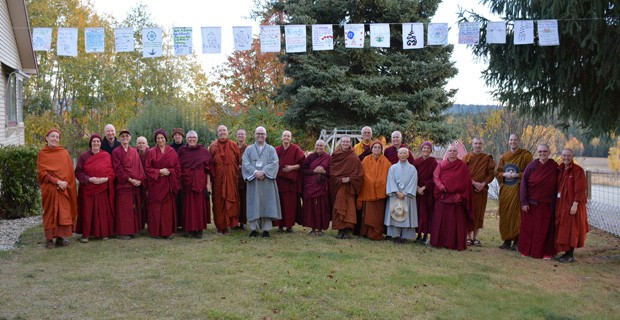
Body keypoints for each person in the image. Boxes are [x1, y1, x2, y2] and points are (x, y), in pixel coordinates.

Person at [37, 128, 78, 249]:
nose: (55, 139)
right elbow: (41, 174)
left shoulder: (64, 153)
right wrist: (57, 182)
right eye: (52, 136)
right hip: (50, 188)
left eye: (57, 137)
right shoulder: (42, 154)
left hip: (64, 188)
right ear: (47, 138)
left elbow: (69, 171)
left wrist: (65, 184)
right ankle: (49, 239)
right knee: (50, 213)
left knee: (63, 212)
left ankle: (60, 237)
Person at [431, 144, 474, 251]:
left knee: (454, 222)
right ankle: (439, 242)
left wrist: (459, 194)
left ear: (457, 153)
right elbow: (436, 177)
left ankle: (454, 243)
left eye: (454, 151)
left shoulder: (462, 166)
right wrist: (442, 187)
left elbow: (466, 181)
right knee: (441, 220)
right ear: (447, 152)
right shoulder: (441, 164)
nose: (452, 153)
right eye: (450, 151)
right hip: (443, 195)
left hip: (456, 198)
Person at [519, 144, 558, 259]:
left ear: (549, 152)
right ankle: (527, 251)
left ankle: (546, 252)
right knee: (529, 229)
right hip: (531, 204)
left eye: (545, 151)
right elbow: (523, 184)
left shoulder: (554, 166)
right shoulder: (532, 166)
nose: (542, 153)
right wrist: (524, 202)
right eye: (540, 151)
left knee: (545, 230)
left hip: (547, 204)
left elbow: (559, 184)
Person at [242, 126, 282, 238]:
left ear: (266, 135)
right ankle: (253, 229)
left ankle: (266, 229)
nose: (260, 136)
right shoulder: (249, 149)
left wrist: (263, 172)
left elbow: (275, 162)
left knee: (267, 204)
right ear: (254, 135)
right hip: (253, 181)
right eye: (258, 133)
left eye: (262, 134)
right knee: (253, 203)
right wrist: (255, 172)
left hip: (267, 181)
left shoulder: (271, 149)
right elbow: (245, 163)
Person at [75, 134, 115, 243]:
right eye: (94, 141)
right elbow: (78, 172)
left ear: (101, 143)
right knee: (87, 212)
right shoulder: (84, 156)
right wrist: (89, 179)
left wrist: (106, 179)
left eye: (98, 141)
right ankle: (86, 234)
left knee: (102, 212)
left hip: (102, 188)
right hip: (88, 188)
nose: (96, 143)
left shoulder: (106, 155)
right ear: (90, 143)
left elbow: (111, 171)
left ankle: (103, 233)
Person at [497, 134, 533, 250]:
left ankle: (517, 241)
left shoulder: (525, 155)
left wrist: (518, 175)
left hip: (518, 190)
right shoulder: (504, 157)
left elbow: (531, 172)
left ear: (519, 141)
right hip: (506, 191)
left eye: (515, 140)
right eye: (511, 140)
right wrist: (504, 174)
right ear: (509, 142)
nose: (513, 142)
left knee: (517, 215)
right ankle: (506, 240)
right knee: (505, 214)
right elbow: (498, 173)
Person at [145, 129, 181, 239]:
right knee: (155, 209)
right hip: (156, 184)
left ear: (165, 139)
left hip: (168, 183)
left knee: (167, 210)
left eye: (162, 138)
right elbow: (147, 168)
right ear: (155, 140)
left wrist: (169, 172)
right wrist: (159, 171)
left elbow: (178, 168)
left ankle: (167, 232)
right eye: (158, 138)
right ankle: (156, 232)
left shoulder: (171, 151)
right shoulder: (151, 152)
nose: (160, 140)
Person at [555, 148, 589, 263]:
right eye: (564, 155)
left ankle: (570, 255)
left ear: (572, 157)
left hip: (573, 205)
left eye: (569, 156)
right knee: (563, 229)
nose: (566, 158)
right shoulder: (560, 169)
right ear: (561, 156)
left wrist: (575, 205)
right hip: (562, 205)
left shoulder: (578, 170)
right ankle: (565, 253)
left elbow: (580, 190)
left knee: (572, 229)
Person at [178, 130, 213, 239]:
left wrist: (208, 185)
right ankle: (189, 229)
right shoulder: (182, 151)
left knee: (199, 207)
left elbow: (208, 169)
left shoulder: (203, 151)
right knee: (188, 207)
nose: (192, 139)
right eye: (190, 138)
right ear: (186, 139)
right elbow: (178, 166)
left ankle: (199, 230)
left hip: (199, 183)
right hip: (187, 183)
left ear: (197, 139)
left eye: (194, 137)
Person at [112, 129, 146, 240]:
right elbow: (118, 169)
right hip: (124, 184)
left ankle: (132, 230)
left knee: (133, 209)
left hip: (135, 184)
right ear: (120, 138)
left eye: (127, 136)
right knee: (124, 209)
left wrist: (140, 180)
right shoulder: (116, 152)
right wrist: (130, 180)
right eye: (122, 136)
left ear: (130, 138)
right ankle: (123, 232)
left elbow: (139, 167)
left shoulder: (134, 151)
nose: (125, 138)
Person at [463, 138, 495, 246]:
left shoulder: (487, 158)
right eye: (475, 143)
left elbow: (491, 174)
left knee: (479, 213)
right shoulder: (466, 157)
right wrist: (472, 182)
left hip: (481, 191)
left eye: (480, 143)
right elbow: (463, 172)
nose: (478, 145)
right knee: (468, 211)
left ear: (482, 145)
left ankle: (475, 238)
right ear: (472, 144)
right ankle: (467, 237)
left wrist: (483, 184)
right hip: (469, 189)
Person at [329, 136, 364, 239]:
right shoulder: (336, 155)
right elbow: (332, 170)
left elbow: (359, 173)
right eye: (343, 141)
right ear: (341, 143)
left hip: (349, 187)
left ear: (350, 143)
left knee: (349, 208)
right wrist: (339, 179)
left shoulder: (353, 156)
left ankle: (347, 230)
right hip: (339, 185)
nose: (345, 143)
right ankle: (340, 230)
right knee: (338, 206)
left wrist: (350, 179)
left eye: (347, 142)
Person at [209, 125, 241, 234]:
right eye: (220, 131)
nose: (222, 132)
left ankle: (231, 224)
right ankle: (221, 226)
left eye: (224, 130)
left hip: (231, 179)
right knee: (218, 202)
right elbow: (210, 164)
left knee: (231, 199)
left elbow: (238, 161)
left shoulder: (233, 145)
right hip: (218, 180)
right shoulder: (212, 146)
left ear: (227, 132)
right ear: (217, 133)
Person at [357, 140, 391, 240]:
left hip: (380, 193)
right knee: (368, 214)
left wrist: (378, 182)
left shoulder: (386, 161)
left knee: (378, 215)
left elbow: (387, 176)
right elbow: (364, 174)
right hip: (368, 191)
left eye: (379, 147)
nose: (377, 149)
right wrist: (371, 182)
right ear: (371, 149)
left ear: (381, 149)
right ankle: (365, 232)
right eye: (375, 147)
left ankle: (376, 233)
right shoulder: (366, 159)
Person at [385, 148, 419, 243]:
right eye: (401, 153)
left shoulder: (412, 168)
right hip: (396, 195)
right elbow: (390, 180)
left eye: (405, 153)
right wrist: (397, 192)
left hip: (407, 196)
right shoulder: (393, 168)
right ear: (398, 155)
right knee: (395, 213)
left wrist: (405, 193)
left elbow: (413, 181)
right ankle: (395, 235)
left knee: (406, 214)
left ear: (408, 155)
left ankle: (405, 236)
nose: (403, 155)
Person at [275, 130, 305, 233]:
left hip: (291, 183)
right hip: (279, 182)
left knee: (290, 205)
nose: (286, 137)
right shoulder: (277, 149)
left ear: (290, 138)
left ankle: (289, 226)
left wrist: (292, 167)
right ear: (281, 137)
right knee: (280, 204)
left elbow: (302, 164)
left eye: (288, 136)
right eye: (284, 136)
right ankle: (279, 225)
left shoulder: (296, 149)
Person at [301, 139, 331, 236]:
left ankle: (321, 228)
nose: (319, 147)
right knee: (311, 207)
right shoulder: (310, 157)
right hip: (311, 186)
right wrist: (314, 171)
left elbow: (332, 172)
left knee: (321, 207)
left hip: (322, 187)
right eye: (317, 145)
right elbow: (303, 170)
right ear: (315, 146)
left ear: (324, 147)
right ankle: (313, 228)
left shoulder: (328, 157)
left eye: (321, 145)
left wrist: (324, 172)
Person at [413, 141, 437, 244]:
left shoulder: (433, 162)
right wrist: (417, 187)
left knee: (426, 214)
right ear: (421, 149)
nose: (426, 150)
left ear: (431, 150)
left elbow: (434, 177)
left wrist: (424, 187)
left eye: (428, 148)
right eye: (424, 148)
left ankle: (425, 236)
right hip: (417, 191)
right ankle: (418, 234)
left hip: (427, 192)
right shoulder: (417, 161)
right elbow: (413, 175)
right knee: (418, 212)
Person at [353, 126, 373, 235]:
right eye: (365, 132)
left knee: (369, 204)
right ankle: (357, 229)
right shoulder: (356, 147)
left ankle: (368, 228)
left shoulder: (375, 146)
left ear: (371, 134)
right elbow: (354, 163)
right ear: (362, 134)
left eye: (368, 132)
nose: (366, 134)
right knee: (359, 202)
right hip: (359, 178)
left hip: (372, 179)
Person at [170, 128, 185, 229]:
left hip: (184, 178)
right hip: (172, 178)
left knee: (183, 201)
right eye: (175, 135)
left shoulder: (186, 147)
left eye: (179, 135)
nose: (177, 136)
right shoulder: (169, 148)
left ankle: (183, 223)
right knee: (173, 201)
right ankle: (174, 223)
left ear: (182, 137)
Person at [135, 136, 149, 228]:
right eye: (139, 143)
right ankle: (139, 225)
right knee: (138, 204)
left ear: (147, 144)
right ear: (136, 145)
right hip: (137, 183)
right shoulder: (133, 153)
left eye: (143, 143)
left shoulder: (151, 153)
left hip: (149, 182)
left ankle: (150, 223)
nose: (141, 145)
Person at [236, 129, 248, 229]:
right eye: (239, 134)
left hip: (244, 179)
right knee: (234, 200)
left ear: (245, 136)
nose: (240, 136)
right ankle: (234, 221)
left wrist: (241, 167)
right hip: (233, 178)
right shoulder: (232, 147)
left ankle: (242, 222)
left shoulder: (248, 148)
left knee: (243, 200)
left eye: (242, 134)